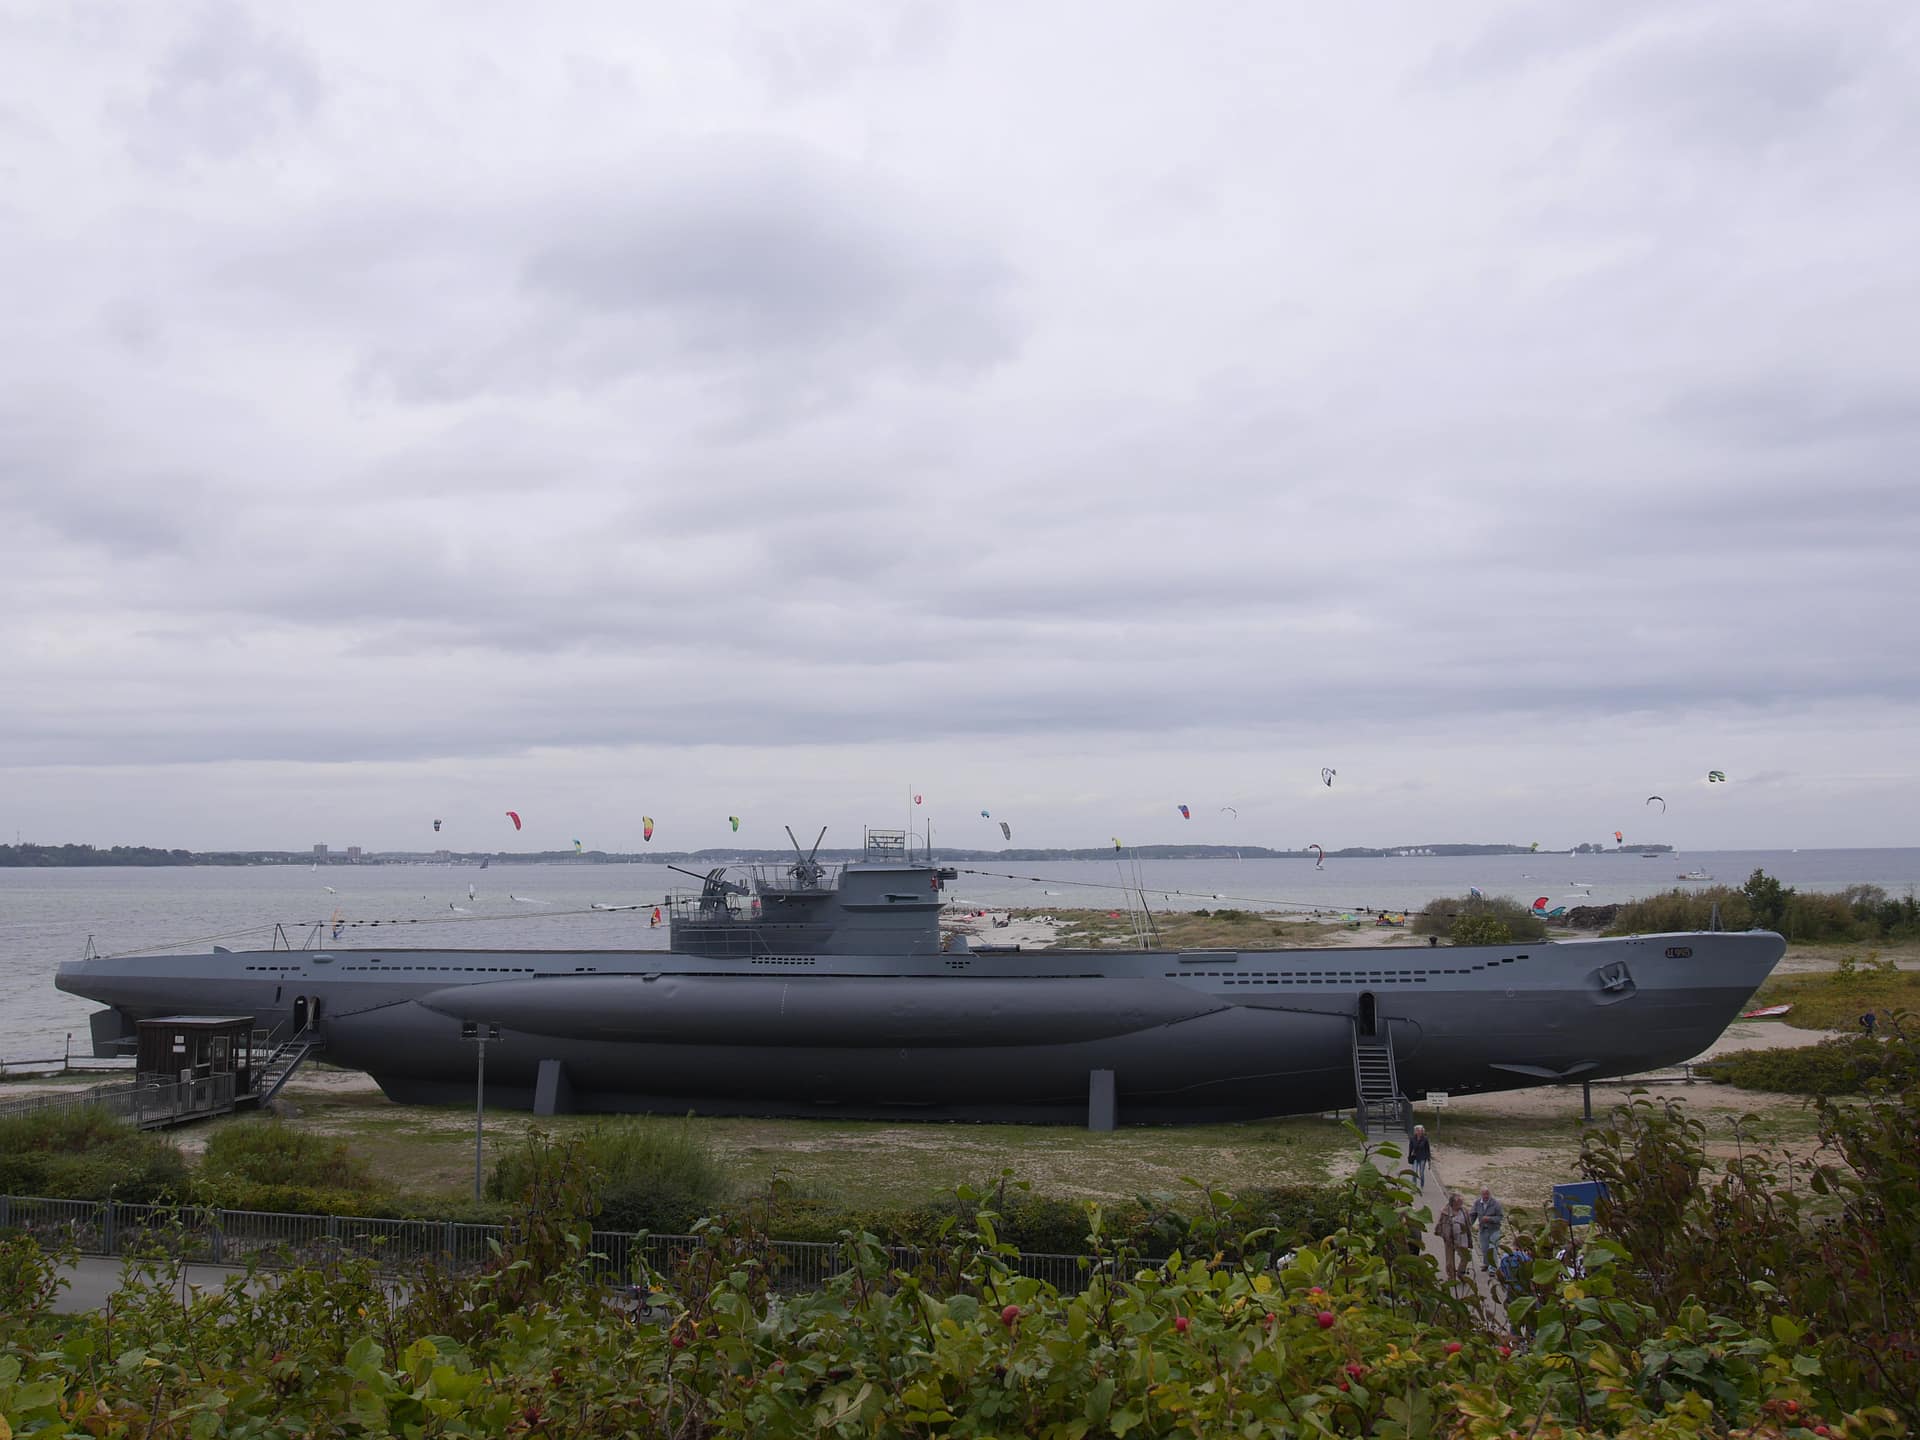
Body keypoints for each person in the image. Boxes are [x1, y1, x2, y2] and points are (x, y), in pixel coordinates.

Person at [1433, 1194, 1472, 1283]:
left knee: (1465, 1257)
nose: (1462, 1202)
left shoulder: (1464, 1210)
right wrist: (1447, 1237)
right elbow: (1442, 1225)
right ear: (1454, 1202)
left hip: (1462, 1238)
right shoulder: (1446, 1212)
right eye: (1459, 1201)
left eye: (1461, 1200)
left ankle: (1460, 1273)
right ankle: (1451, 1277)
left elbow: (1468, 1223)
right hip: (1449, 1240)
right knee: (1450, 1260)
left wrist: (1468, 1233)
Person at [1470, 1188, 1505, 1273]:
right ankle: (1486, 1264)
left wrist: (1490, 1219)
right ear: (1481, 1194)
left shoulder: (1496, 1204)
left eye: (1487, 1194)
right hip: (1483, 1229)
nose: (1485, 1196)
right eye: (1484, 1194)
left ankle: (1493, 1268)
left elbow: (1500, 1217)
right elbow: (1473, 1215)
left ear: (1489, 1194)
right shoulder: (1477, 1203)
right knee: (1484, 1248)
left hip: (1494, 1230)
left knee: (1492, 1249)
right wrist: (1469, 1224)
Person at [1408, 1125, 1432, 1190]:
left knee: (1421, 1173)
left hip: (1422, 1158)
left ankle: (1422, 1185)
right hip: (1415, 1157)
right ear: (1415, 1131)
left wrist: (1429, 1160)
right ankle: (1414, 1186)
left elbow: (1427, 1150)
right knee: (1414, 1172)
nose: (1419, 1132)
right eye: (1417, 1130)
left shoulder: (1425, 1139)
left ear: (1422, 1131)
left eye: (1420, 1131)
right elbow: (1410, 1148)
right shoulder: (1412, 1139)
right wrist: (1409, 1157)